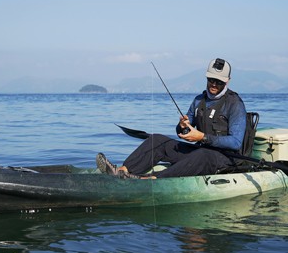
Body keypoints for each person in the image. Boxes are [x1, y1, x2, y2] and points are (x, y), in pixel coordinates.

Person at [96, 58, 247, 179]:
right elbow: (184, 130)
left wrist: (202, 137)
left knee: (203, 154)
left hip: (225, 158)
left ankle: (152, 179)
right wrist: (182, 126)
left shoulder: (235, 104)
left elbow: (235, 142)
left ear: (227, 81)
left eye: (219, 81)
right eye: (211, 79)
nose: (213, 84)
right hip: (200, 152)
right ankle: (122, 171)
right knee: (158, 140)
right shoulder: (199, 100)